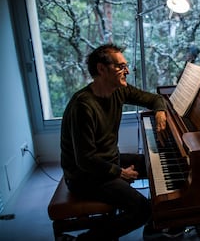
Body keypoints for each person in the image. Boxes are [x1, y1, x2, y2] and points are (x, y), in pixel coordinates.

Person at [60, 43, 168, 240]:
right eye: (120, 66)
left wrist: (160, 112)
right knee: (142, 209)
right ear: (101, 69)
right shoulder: (83, 106)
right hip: (83, 176)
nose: (127, 71)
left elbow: (153, 98)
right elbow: (85, 161)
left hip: (108, 161)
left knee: (158, 164)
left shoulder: (118, 90)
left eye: (126, 66)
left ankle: (158, 224)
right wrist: (119, 172)